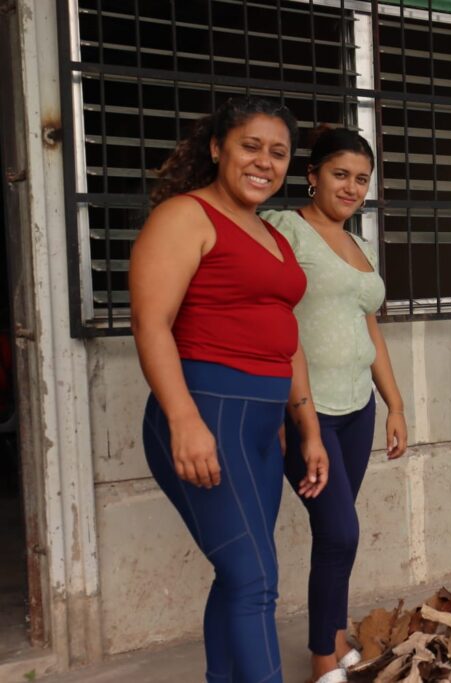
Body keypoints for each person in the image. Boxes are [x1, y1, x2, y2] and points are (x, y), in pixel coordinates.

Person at [130, 96, 329, 683]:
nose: (264, 162)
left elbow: (286, 338)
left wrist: (307, 428)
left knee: (239, 574)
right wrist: (183, 419)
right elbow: (151, 324)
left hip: (263, 427)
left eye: (278, 152)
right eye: (250, 146)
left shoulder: (271, 234)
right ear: (218, 148)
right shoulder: (185, 217)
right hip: (208, 410)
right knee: (255, 580)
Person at [262, 127, 407, 683]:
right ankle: (324, 656)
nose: (351, 187)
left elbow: (369, 329)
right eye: (340, 174)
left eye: (361, 180)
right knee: (341, 530)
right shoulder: (285, 230)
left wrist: (393, 404)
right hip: (305, 408)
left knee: (336, 533)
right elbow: (270, 316)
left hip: (356, 407)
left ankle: (337, 637)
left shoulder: (360, 246)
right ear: (312, 175)